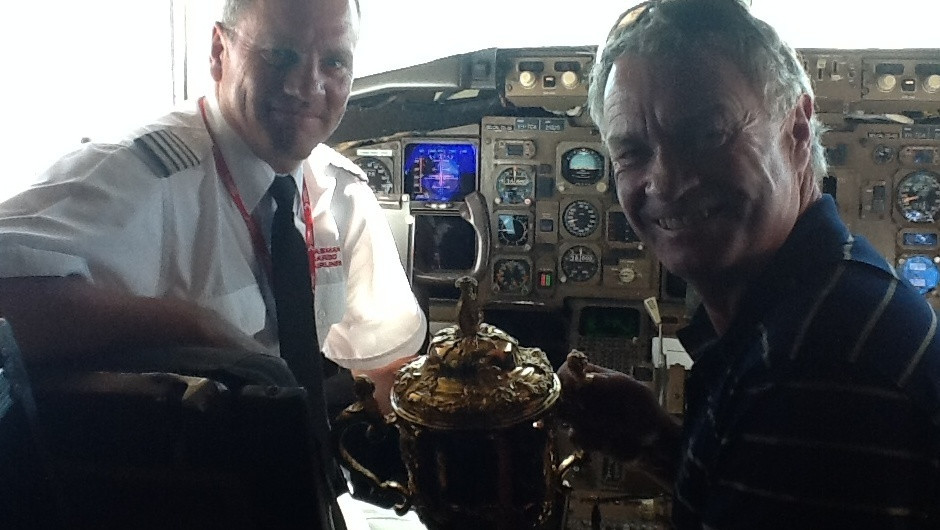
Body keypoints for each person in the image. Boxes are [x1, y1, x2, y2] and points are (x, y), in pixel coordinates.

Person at [0, 0, 426, 526]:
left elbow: (386, 368)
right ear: (219, 51)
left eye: (334, 62)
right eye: (281, 54)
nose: (306, 85)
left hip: (304, 496)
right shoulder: (141, 177)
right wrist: (192, 326)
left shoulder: (339, 194)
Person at [557, 1, 940, 528]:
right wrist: (658, 444)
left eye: (706, 133)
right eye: (632, 151)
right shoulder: (833, 293)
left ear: (798, 131)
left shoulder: (816, 370)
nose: (665, 182)